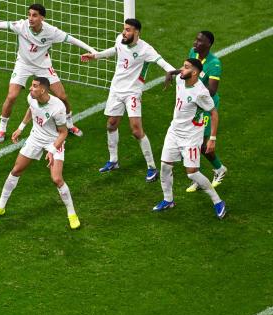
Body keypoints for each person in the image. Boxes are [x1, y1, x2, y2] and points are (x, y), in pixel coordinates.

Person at [0, 3, 95, 142]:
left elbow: (72, 40)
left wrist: (93, 51)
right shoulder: (21, 25)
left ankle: (70, 124)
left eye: (34, 15)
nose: (30, 18)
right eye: (29, 14)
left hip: (43, 66)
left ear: (42, 18)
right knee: (12, 96)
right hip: (23, 64)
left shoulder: (52, 31)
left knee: (62, 96)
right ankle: (2, 128)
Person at [81, 19, 176, 182]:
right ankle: (113, 161)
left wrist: (173, 72)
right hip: (116, 90)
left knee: (136, 130)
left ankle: (152, 167)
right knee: (111, 124)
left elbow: (162, 62)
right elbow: (115, 49)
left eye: (128, 30)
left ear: (137, 32)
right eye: (124, 29)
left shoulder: (146, 49)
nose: (124, 33)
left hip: (132, 92)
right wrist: (96, 56)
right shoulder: (120, 39)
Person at [0, 77, 80, 229]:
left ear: (43, 90)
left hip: (53, 141)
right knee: (16, 170)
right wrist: (21, 127)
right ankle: (0, 207)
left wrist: (53, 150)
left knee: (56, 179)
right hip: (35, 137)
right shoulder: (32, 98)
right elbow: (31, 109)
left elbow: (63, 133)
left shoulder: (58, 107)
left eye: (34, 86)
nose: (30, 89)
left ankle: (72, 214)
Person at [153, 59, 226, 219]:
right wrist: (170, 74)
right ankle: (168, 200)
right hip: (174, 132)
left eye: (185, 67)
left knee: (192, 174)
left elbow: (213, 113)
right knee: (165, 166)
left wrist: (212, 138)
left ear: (194, 73)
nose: (181, 69)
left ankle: (218, 201)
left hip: (191, 137)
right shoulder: (181, 79)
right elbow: (177, 72)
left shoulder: (200, 92)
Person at [175, 31, 227, 192]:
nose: (195, 43)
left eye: (199, 41)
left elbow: (211, 91)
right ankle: (196, 175)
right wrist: (175, 72)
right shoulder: (193, 53)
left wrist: (193, 90)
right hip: (193, 103)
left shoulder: (214, 64)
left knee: (201, 144)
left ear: (208, 44)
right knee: (186, 142)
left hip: (205, 105)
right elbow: (188, 70)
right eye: (195, 39)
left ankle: (219, 169)